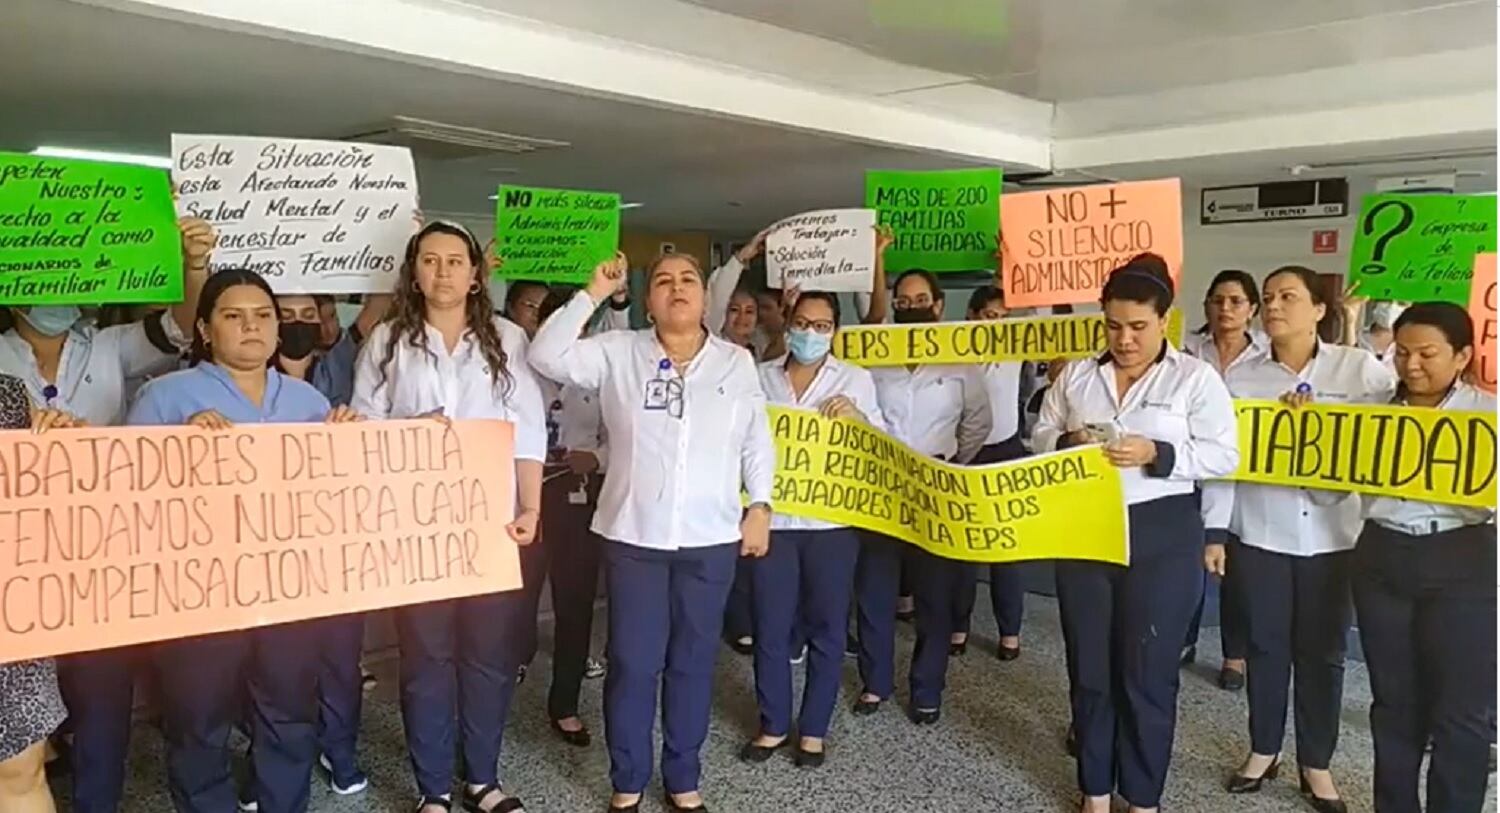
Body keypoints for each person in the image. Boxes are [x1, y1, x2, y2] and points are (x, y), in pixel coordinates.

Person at [529, 251, 774, 813]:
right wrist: (592, 292)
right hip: (633, 537)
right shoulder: (617, 353)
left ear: (702, 296)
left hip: (709, 538)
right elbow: (546, 354)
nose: (677, 287)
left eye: (688, 278)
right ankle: (629, 780)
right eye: (663, 280)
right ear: (648, 300)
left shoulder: (735, 363)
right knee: (634, 664)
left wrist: (760, 504)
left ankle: (683, 778)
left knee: (691, 662)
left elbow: (755, 440)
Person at [0, 216, 214, 813]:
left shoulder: (112, 344)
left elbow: (178, 327)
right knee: (21, 719)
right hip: (16, 557)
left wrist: (190, 262)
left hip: (103, 553)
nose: (58, 297)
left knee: (101, 696)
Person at [126, 268, 359, 813]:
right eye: (234, 316)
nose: (251, 327)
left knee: (288, 717)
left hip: (290, 594)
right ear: (205, 328)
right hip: (197, 597)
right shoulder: (165, 398)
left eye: (263, 316)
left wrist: (349, 440)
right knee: (198, 721)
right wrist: (175, 455)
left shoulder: (307, 404)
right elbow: (126, 499)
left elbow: (335, 499)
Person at [351, 221, 546, 813]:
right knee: (426, 658)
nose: (443, 272)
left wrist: (532, 506)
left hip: (490, 526)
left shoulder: (508, 339)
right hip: (419, 530)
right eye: (430, 261)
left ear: (476, 272)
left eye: (455, 261)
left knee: (487, 657)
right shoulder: (387, 340)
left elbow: (528, 430)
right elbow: (361, 429)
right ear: (414, 271)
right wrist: (408, 433)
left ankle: (482, 780)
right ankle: (433, 788)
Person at [1034, 253, 1239, 813]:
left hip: (1162, 535)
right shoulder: (1078, 374)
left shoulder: (1195, 378)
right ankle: (1095, 789)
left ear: (1164, 320)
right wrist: (1064, 441)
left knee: (1146, 672)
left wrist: (1159, 452)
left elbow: (1225, 455)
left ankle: (1142, 796)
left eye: (1138, 327)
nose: (1124, 339)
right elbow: (1039, 434)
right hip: (1086, 533)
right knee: (1091, 667)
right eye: (1113, 326)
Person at [1209, 265, 1397, 813]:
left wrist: (1327, 424)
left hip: (1335, 538)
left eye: (1288, 297)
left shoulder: (1359, 369)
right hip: (1260, 533)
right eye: (1267, 298)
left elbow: (1397, 432)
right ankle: (1264, 749)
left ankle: (1316, 763)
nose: (1273, 306)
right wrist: (1216, 531)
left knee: (1323, 654)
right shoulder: (1241, 378)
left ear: (1319, 309)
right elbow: (1227, 465)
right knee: (1265, 647)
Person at [1352, 302, 1495, 813]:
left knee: (1462, 711)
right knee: (1393, 704)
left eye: (1427, 353)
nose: (1411, 365)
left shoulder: (1488, 414)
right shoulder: (1367, 413)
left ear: (1461, 356)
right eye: (1403, 352)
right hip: (1381, 557)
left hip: (1463, 559)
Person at [740, 290, 883, 769]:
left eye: (822, 326)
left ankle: (815, 729)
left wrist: (859, 420)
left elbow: (881, 449)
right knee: (771, 626)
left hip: (832, 526)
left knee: (827, 628)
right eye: (802, 323)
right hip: (773, 523)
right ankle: (773, 723)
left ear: (835, 331)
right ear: (787, 324)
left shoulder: (856, 380)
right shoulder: (759, 378)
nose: (810, 333)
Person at [854, 268, 991, 725]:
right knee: (875, 591)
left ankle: (927, 688)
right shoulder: (875, 359)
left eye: (920, 300)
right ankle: (875, 683)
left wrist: (949, 463)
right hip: (881, 487)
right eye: (902, 300)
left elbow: (977, 424)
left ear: (938, 306)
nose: (910, 307)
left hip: (936, 486)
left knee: (935, 597)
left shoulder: (960, 361)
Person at [271, 292, 389, 799]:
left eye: (308, 314)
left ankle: (339, 749)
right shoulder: (236, 379)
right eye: (285, 316)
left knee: (340, 658)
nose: (298, 324)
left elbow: (376, 309)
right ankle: (274, 758)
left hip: (336, 541)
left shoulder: (342, 362)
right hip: (267, 550)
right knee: (275, 665)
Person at [531, 288, 615, 747]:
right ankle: (509, 673)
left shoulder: (597, 376)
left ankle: (564, 702)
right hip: (522, 494)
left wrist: (596, 458)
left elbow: (620, 435)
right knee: (515, 602)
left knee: (575, 603)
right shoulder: (516, 369)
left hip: (577, 495)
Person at [0, 378, 83, 813]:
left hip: (10, 615)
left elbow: (54, 495)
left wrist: (65, 447)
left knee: (21, 767)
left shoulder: (8, 397)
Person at [1180, 269, 1266, 691]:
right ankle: (1184, 639)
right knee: (1184, 560)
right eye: (1217, 300)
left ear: (1252, 309)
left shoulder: (1267, 359)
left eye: (1235, 301)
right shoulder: (1187, 350)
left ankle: (1235, 654)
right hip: (1190, 472)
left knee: (1237, 572)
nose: (1225, 309)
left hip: (1245, 479)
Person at [951, 285, 1029, 661]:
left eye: (1003, 317)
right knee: (962, 550)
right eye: (989, 316)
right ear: (971, 315)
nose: (997, 325)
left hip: (1007, 451)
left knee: (1006, 549)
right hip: (967, 454)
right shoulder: (952, 350)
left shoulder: (1015, 348)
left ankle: (1009, 632)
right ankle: (958, 626)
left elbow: (1040, 318)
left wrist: (1012, 274)